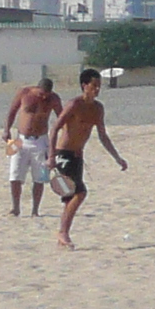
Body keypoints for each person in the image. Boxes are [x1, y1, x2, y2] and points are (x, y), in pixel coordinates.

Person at [50, 69, 126, 249]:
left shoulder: (98, 108)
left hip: (78, 156)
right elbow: (55, 129)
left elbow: (102, 135)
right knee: (80, 193)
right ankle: (63, 233)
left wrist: (117, 158)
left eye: (99, 86)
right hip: (63, 154)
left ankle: (63, 236)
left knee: (70, 199)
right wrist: (51, 155)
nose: (97, 89)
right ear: (85, 86)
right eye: (94, 86)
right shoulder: (74, 105)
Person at [5, 78, 60, 219]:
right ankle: (15, 208)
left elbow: (62, 118)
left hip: (41, 140)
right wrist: (6, 130)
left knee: (40, 177)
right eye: (41, 94)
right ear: (37, 88)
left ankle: (35, 210)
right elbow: (12, 111)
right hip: (20, 139)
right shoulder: (24, 93)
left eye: (46, 95)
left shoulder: (53, 99)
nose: (43, 97)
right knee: (14, 175)